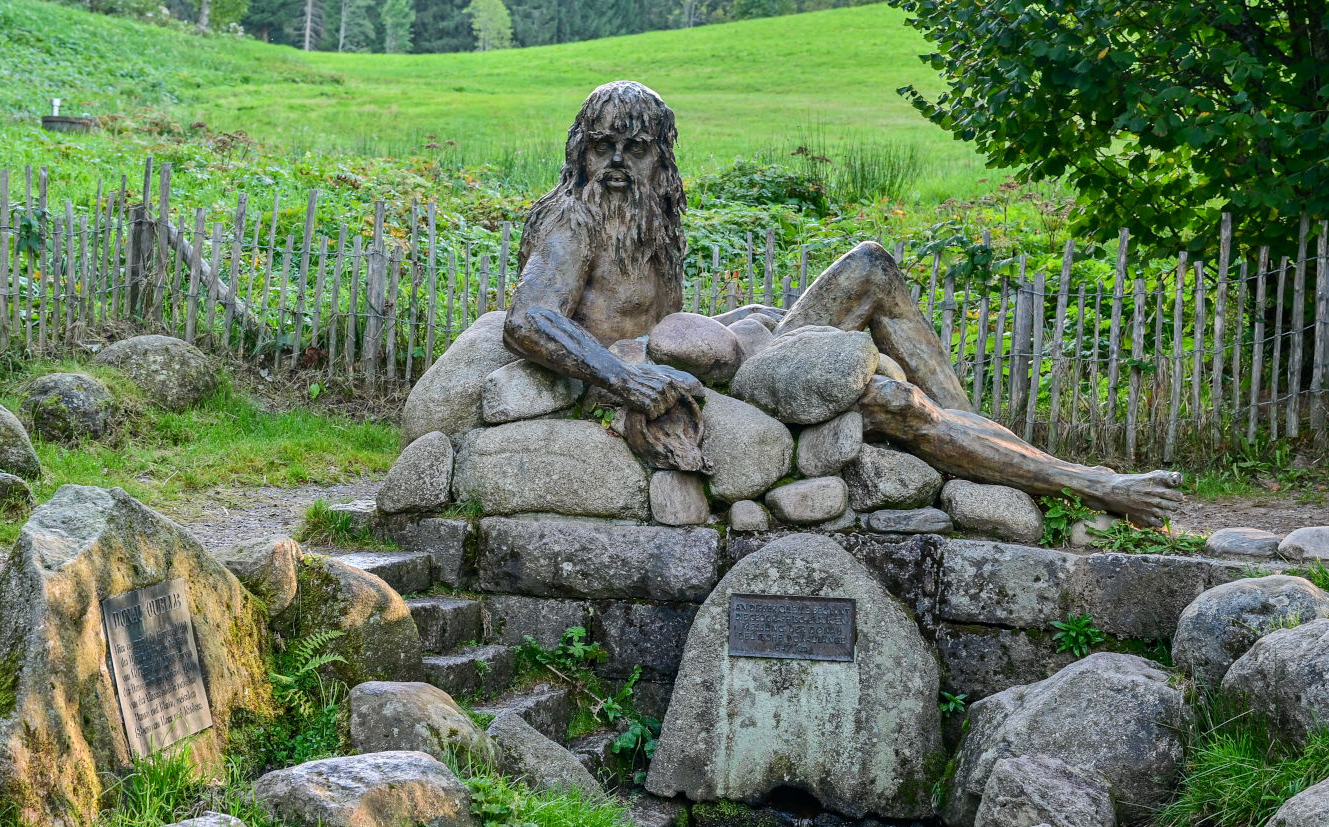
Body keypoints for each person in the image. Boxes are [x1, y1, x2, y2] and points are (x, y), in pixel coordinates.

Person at [502, 80, 1183, 524]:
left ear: (663, 159)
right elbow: (529, 319)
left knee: (871, 267)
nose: (618, 164)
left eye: (637, 149)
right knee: (889, 400)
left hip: (711, 369)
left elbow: (667, 328)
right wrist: (626, 379)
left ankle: (977, 435)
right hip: (662, 396)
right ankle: (1090, 486)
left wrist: (740, 324)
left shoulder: (650, 222)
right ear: (580, 152)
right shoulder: (575, 219)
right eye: (603, 148)